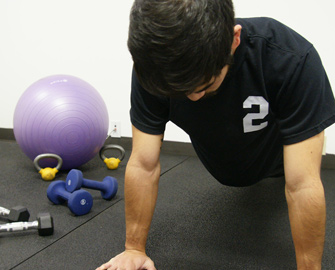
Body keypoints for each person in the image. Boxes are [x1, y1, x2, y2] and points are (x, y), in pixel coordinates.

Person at [96, 0, 335, 269]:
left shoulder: (290, 59)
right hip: (222, 159)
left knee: (296, 176)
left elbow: (302, 184)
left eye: (204, 86)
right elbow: (143, 163)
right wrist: (134, 248)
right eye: (180, 92)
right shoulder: (154, 68)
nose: (193, 98)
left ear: (234, 41)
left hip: (276, 153)